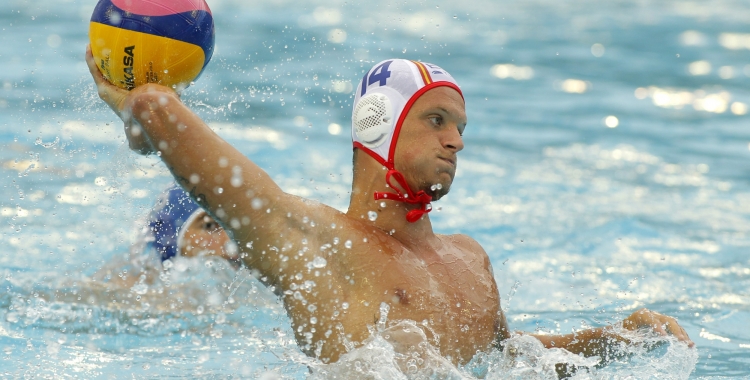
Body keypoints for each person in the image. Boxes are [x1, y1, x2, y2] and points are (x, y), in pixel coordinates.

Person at [85, 47, 693, 366]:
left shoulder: (470, 261)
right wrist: (135, 106)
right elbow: (178, 132)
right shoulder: (320, 246)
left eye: (460, 125)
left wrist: (606, 340)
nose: (456, 140)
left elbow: (511, 360)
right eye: (436, 120)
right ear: (380, 127)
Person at [94, 185, 239, 287]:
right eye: (209, 226)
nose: (230, 241)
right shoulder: (129, 291)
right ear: (171, 239)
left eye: (232, 225)